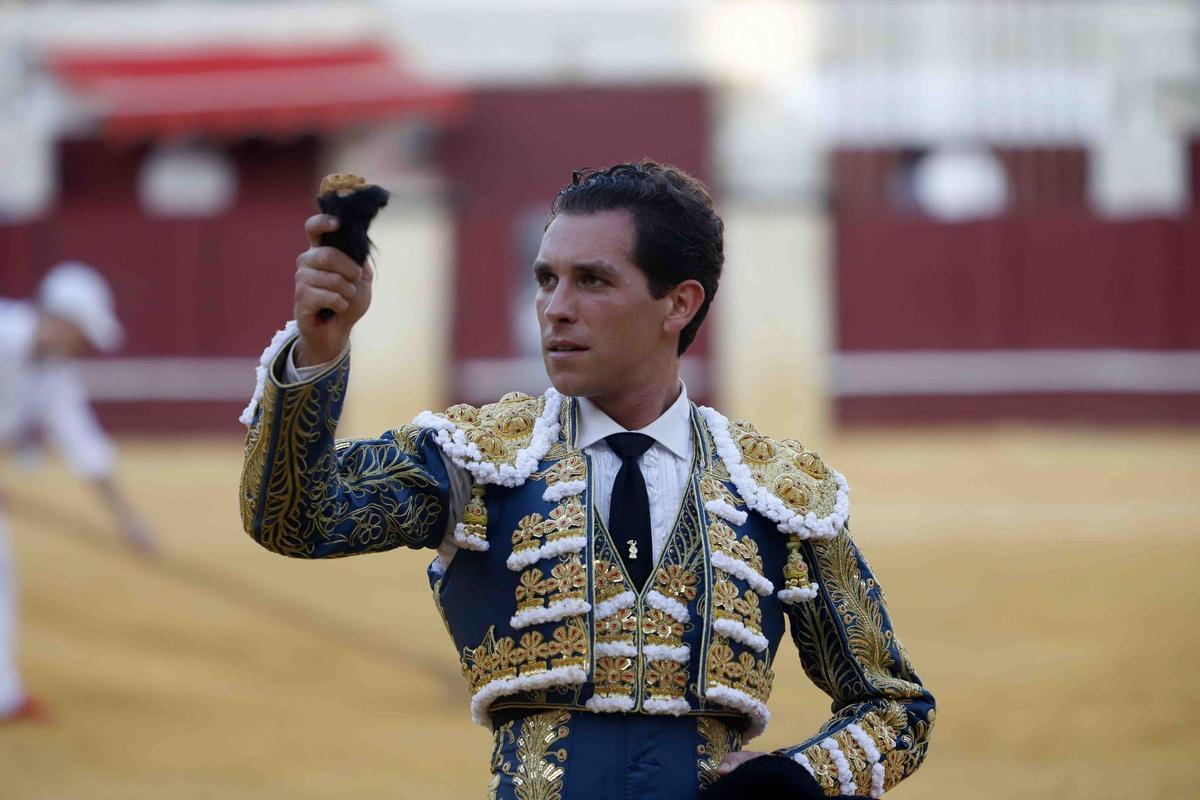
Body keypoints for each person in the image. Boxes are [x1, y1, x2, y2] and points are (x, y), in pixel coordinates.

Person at [239, 162, 934, 799]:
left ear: (678, 305)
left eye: (592, 280)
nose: (554, 308)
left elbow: (895, 707)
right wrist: (317, 355)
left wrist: (799, 780)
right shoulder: (476, 459)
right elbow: (297, 519)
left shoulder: (777, 487)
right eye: (547, 279)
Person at [0, 262, 156, 724]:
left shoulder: (53, 374)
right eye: (83, 333)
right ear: (62, 320)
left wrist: (129, 522)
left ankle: (4, 694)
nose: (85, 345)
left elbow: (85, 446)